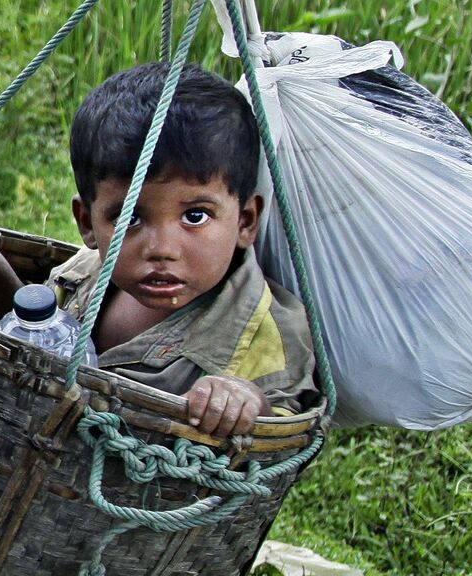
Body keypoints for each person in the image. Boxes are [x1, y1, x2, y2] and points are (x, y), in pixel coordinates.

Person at [52, 62, 320, 434]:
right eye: (129, 218)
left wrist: (247, 401)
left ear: (245, 221)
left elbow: (288, 422)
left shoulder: (266, 334)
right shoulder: (77, 276)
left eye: (195, 216)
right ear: (87, 224)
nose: (162, 249)